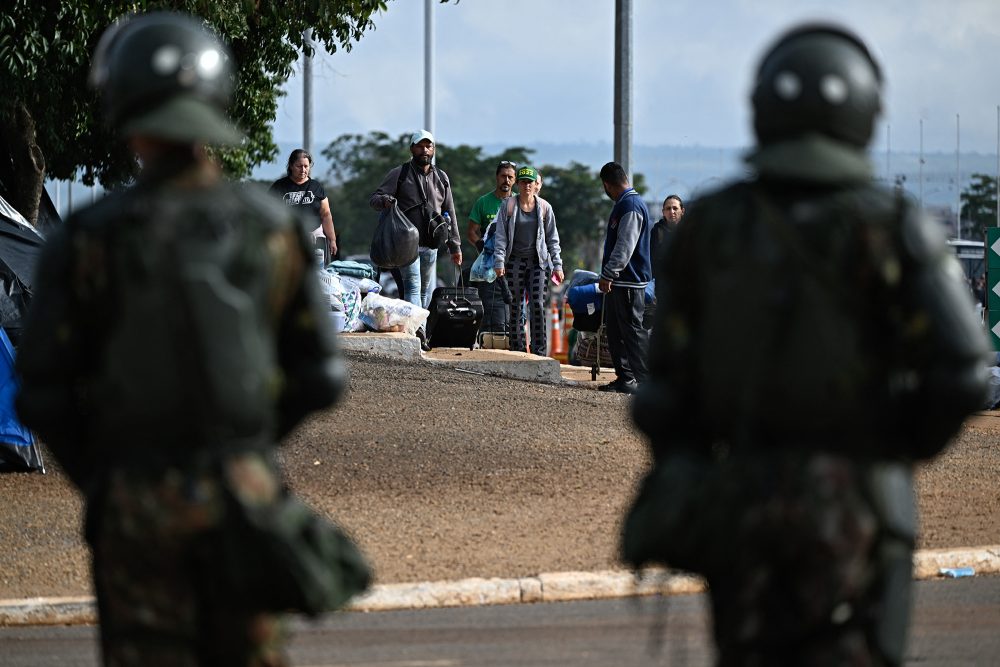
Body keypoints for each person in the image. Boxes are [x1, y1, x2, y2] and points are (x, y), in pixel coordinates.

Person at [624, 23, 990, 666]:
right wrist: (897, 442)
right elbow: (963, 370)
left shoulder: (713, 226)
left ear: (764, 109)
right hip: (864, 498)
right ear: (863, 111)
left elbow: (661, 390)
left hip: (741, 497)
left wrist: (689, 466)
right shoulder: (892, 225)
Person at [15, 12, 349, 666]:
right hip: (246, 505)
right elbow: (321, 377)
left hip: (134, 509)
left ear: (124, 106)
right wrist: (244, 450)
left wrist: (108, 479)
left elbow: (41, 392)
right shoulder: (271, 228)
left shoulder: (89, 239)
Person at [369, 130, 462, 314]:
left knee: (425, 290)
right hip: (406, 243)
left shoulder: (442, 178)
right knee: (412, 285)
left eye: (428, 146)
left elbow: (449, 211)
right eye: (420, 146)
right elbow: (374, 199)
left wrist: (455, 246)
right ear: (412, 149)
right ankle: (415, 332)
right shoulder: (400, 173)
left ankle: (419, 327)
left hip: (432, 244)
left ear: (434, 149)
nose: (424, 150)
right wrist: (386, 200)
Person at [493, 165, 564, 355]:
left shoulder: (544, 208)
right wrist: (499, 262)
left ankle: (539, 349)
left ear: (535, 185)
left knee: (538, 304)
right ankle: (518, 348)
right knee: (515, 306)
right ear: (518, 184)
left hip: (538, 263)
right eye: (523, 182)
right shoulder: (508, 206)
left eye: (530, 182)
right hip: (515, 260)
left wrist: (557, 265)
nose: (526, 186)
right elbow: (500, 237)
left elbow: (552, 239)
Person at [596, 161, 652, 394]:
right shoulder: (626, 203)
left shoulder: (630, 205)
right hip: (621, 282)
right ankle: (625, 378)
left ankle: (647, 382)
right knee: (617, 332)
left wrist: (609, 273)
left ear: (607, 185)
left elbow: (625, 246)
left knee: (632, 332)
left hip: (628, 281)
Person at [468, 160, 518, 342]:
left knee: (514, 305)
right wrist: (481, 246)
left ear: (515, 180)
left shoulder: (520, 203)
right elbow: (471, 232)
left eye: (510, 177)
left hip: (513, 264)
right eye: (503, 176)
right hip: (489, 268)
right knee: (488, 305)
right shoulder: (483, 202)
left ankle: (514, 340)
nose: (506, 180)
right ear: (497, 178)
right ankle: (485, 338)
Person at [269, 148, 338, 263]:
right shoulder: (279, 187)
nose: (303, 170)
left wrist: (332, 240)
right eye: (299, 166)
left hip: (315, 240)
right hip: (287, 240)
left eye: (306, 166)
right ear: (291, 166)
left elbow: (326, 215)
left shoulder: (316, 187)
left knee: (317, 274)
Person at [643, 194, 684, 328]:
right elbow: (653, 258)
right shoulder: (657, 230)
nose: (671, 212)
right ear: (663, 212)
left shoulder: (689, 230)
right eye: (668, 209)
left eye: (675, 208)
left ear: (682, 211)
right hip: (663, 287)